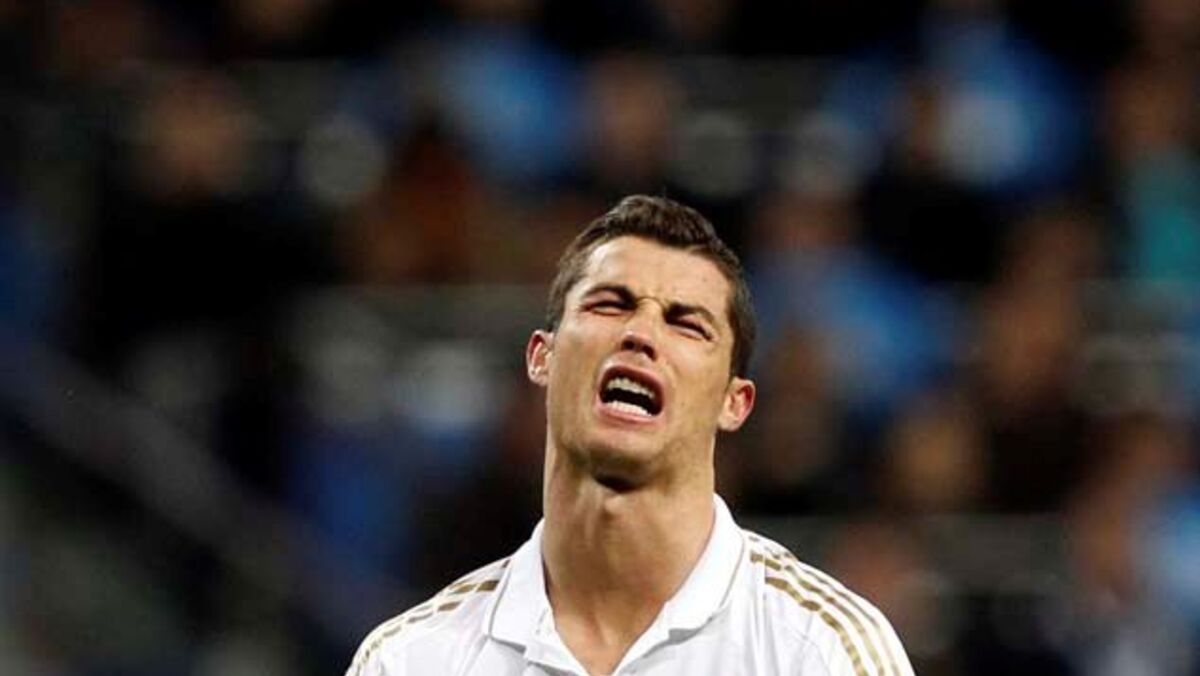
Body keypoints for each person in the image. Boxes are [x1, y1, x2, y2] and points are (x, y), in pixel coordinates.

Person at [345, 196, 915, 675]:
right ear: (542, 357)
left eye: (686, 324)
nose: (641, 332)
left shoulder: (822, 652)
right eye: (609, 304)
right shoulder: (411, 660)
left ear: (734, 402)